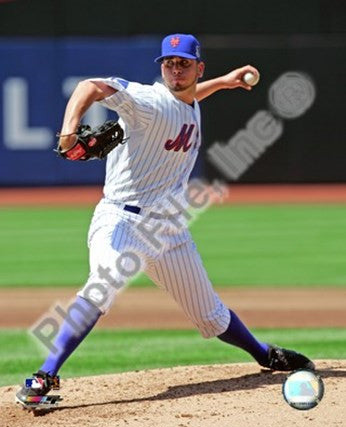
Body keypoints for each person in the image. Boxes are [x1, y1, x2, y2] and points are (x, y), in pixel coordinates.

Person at [16, 34, 314, 408]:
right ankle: (45, 375)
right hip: (121, 220)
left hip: (168, 229)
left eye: (184, 63)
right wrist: (68, 132)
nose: (175, 69)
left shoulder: (186, 101)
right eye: (169, 63)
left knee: (212, 317)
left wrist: (224, 82)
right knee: (101, 287)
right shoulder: (145, 100)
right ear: (161, 67)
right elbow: (88, 86)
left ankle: (264, 354)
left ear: (197, 68)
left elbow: (187, 98)